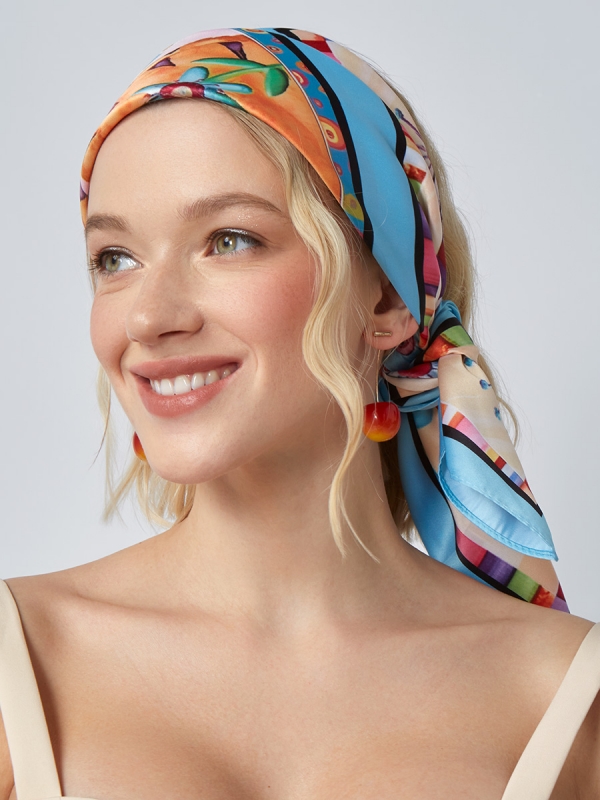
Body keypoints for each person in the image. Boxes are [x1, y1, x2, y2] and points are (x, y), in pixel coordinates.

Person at [0, 27, 598, 800]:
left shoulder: (565, 693)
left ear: (386, 299)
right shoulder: (20, 659)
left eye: (229, 240)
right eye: (115, 259)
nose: (146, 318)